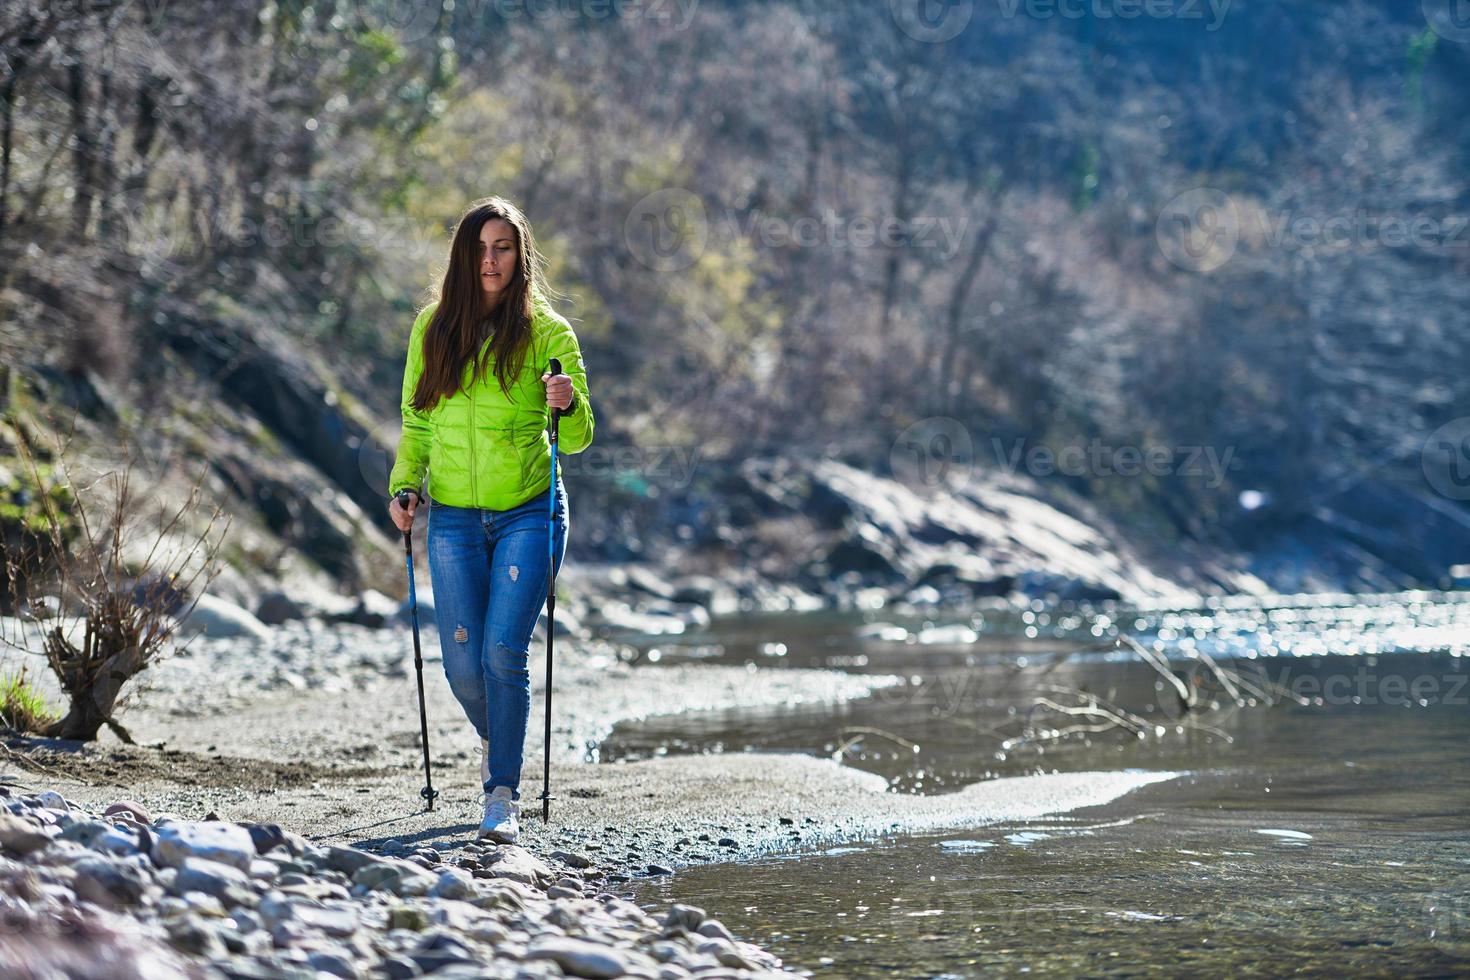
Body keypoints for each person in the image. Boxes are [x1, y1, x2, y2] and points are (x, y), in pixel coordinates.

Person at [386, 197, 594, 843]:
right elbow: (417, 421)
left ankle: (500, 793)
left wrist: (568, 402)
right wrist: (403, 486)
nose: (490, 260)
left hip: (529, 511)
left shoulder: (549, 333)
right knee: (463, 666)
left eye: (502, 247)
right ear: (462, 257)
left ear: (521, 255)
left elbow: (580, 436)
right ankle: (498, 737)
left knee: (505, 652)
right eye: (479, 248)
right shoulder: (433, 327)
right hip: (450, 517)